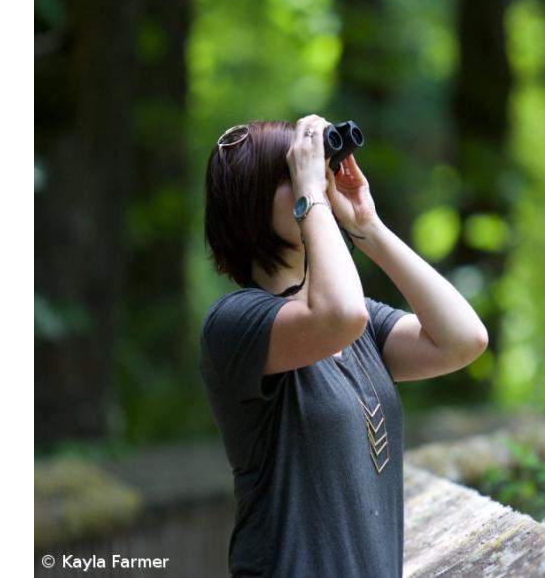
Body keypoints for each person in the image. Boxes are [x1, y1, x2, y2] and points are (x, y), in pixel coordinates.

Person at [199, 114, 488, 577]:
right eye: (290, 176)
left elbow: (463, 340)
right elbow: (337, 316)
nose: (311, 182)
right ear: (250, 201)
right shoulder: (234, 324)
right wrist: (312, 192)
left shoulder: (360, 324)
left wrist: (366, 224)